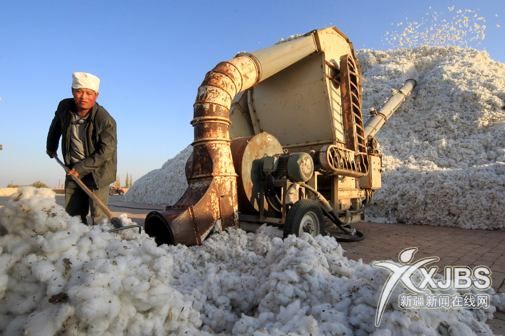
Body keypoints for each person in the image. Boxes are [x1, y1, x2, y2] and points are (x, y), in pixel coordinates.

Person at [46, 72, 117, 225]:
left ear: (96, 95)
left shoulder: (105, 120)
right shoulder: (64, 107)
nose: (83, 97)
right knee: (73, 216)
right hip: (72, 169)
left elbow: (106, 152)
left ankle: (102, 244)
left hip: (99, 173)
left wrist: (81, 167)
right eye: (79, 91)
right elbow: (56, 125)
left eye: (88, 93)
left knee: (99, 217)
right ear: (72, 91)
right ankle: (78, 244)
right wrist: (51, 145)